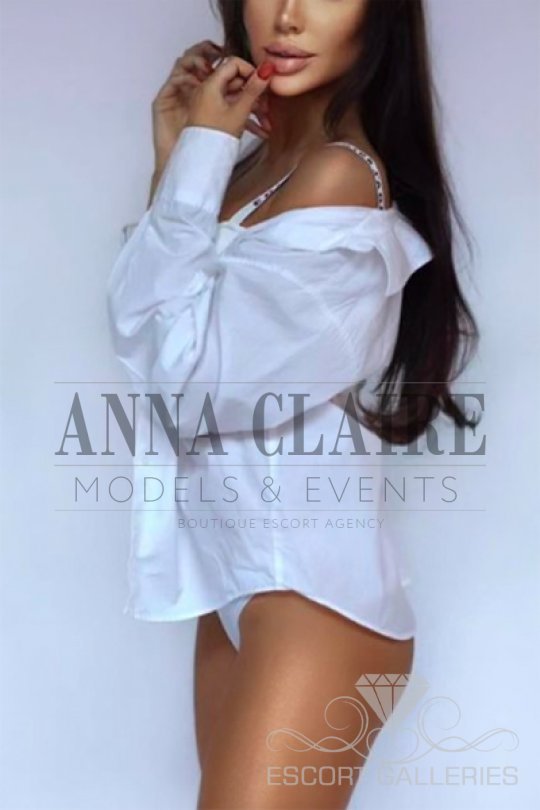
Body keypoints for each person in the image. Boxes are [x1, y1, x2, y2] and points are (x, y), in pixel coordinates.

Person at [106, 1, 479, 807]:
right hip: (234, 581)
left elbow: (192, 389)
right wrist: (180, 161)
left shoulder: (338, 178)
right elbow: (148, 336)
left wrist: (200, 157)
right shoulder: (251, 173)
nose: (288, 15)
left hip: (311, 598)